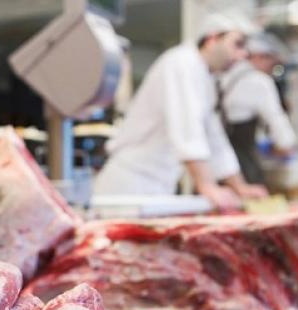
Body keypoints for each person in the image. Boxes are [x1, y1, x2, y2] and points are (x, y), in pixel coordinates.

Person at [94, 13, 267, 211]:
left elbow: (214, 138)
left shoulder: (205, 77)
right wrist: (207, 186)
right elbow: (187, 127)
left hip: (158, 185)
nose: (242, 55)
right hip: (130, 184)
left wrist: (239, 187)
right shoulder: (181, 62)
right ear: (212, 39)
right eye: (237, 44)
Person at [219, 32, 296, 185]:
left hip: (215, 171)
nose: (271, 68)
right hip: (242, 173)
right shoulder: (259, 82)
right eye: (271, 63)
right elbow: (282, 133)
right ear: (259, 56)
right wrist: (285, 146)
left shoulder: (222, 77)